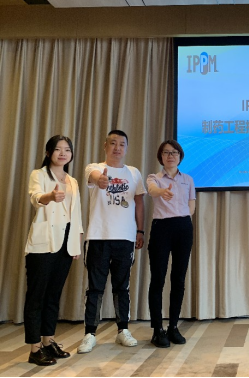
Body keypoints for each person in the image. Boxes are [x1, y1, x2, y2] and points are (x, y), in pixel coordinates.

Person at [78, 130, 146, 354]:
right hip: (98, 237)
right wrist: (101, 179)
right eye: (113, 143)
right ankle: (90, 333)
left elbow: (139, 203)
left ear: (126, 148)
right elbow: (95, 177)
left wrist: (140, 230)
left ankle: (122, 330)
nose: (117, 148)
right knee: (95, 288)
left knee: (122, 287)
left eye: (122, 144)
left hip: (125, 238)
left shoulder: (134, 173)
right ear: (105, 146)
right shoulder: (94, 167)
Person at [25, 135, 84, 366]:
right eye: (58, 149)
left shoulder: (73, 181)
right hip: (44, 243)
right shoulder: (39, 174)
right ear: (49, 152)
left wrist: (77, 242)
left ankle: (48, 341)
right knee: (36, 296)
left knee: (53, 295)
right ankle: (34, 348)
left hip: (67, 244)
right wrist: (50, 196)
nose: (63, 153)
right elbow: (35, 198)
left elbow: (76, 213)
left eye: (67, 150)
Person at [147, 140, 196, 348]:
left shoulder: (188, 179)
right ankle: (157, 329)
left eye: (174, 152)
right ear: (161, 156)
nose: (171, 156)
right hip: (162, 228)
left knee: (178, 279)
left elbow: (191, 205)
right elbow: (151, 190)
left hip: (183, 227)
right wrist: (162, 192)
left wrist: (183, 217)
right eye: (166, 153)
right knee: (158, 279)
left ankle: (173, 326)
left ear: (180, 156)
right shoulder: (154, 178)